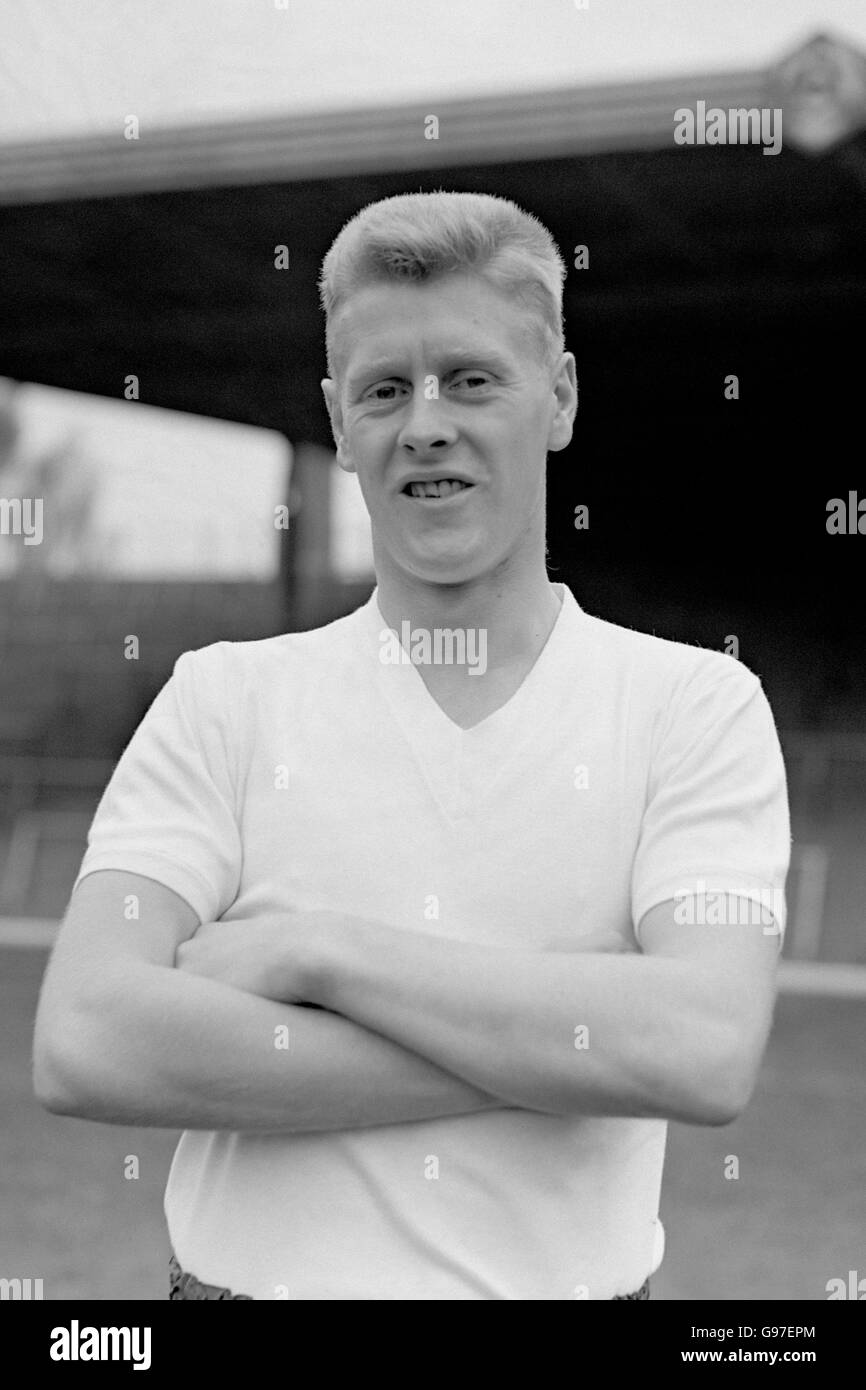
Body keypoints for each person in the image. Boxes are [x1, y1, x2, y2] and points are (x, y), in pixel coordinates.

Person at [33, 191, 790, 1301]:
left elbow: (702, 1050)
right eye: (385, 389)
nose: (425, 421)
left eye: (471, 378)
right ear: (338, 423)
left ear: (560, 397)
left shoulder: (694, 704)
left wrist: (315, 956)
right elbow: (87, 1040)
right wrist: (567, 1050)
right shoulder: (223, 698)